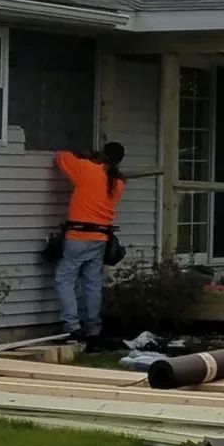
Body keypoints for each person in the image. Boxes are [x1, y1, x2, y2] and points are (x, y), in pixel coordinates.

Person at [54, 141, 126, 343]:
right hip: (100, 238)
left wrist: (85, 157)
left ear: (102, 154)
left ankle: (72, 326)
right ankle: (94, 327)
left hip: (78, 236)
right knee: (92, 283)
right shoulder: (117, 183)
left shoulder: (87, 169)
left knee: (64, 279)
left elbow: (61, 156)